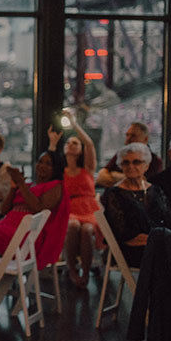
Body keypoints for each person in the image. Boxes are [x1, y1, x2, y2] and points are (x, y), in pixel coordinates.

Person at [0, 152, 69, 297]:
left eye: (48, 164)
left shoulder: (56, 186)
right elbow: (3, 209)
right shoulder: (27, 185)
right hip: (7, 231)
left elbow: (38, 208)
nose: (42, 166)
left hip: (26, 238)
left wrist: (21, 185)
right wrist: (14, 186)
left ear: (56, 168)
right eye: (40, 161)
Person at [99, 144, 171, 267]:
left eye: (136, 162)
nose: (131, 166)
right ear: (120, 166)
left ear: (146, 166)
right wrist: (157, 241)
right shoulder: (114, 194)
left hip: (158, 245)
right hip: (131, 251)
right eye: (126, 163)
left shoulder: (156, 190)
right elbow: (123, 233)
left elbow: (170, 221)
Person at [57, 110, 100, 288]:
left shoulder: (87, 169)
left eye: (75, 142)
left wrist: (74, 124)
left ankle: (86, 271)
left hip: (89, 208)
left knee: (87, 230)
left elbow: (89, 144)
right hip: (70, 208)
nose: (72, 144)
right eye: (69, 142)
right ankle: (72, 269)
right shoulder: (60, 171)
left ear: (80, 149)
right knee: (73, 226)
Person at [95, 121, 162, 186]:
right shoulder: (122, 154)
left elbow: (140, 183)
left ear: (145, 139)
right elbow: (101, 176)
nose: (128, 139)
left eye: (133, 136)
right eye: (127, 135)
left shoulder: (155, 161)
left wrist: (114, 175)